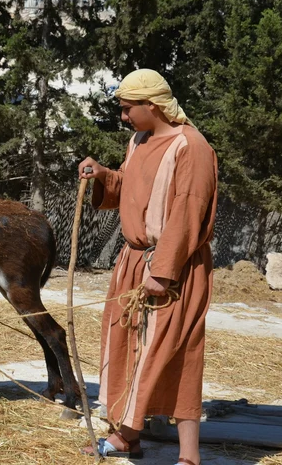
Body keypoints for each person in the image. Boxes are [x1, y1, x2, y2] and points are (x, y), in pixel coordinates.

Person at [79, 69, 218, 465]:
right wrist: (104, 175)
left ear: (151, 106)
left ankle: (189, 456)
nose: (123, 116)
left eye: (126, 109)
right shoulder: (138, 140)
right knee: (128, 349)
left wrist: (164, 270)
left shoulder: (192, 146)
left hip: (174, 269)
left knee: (177, 353)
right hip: (134, 262)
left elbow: (188, 210)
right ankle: (127, 437)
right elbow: (133, 187)